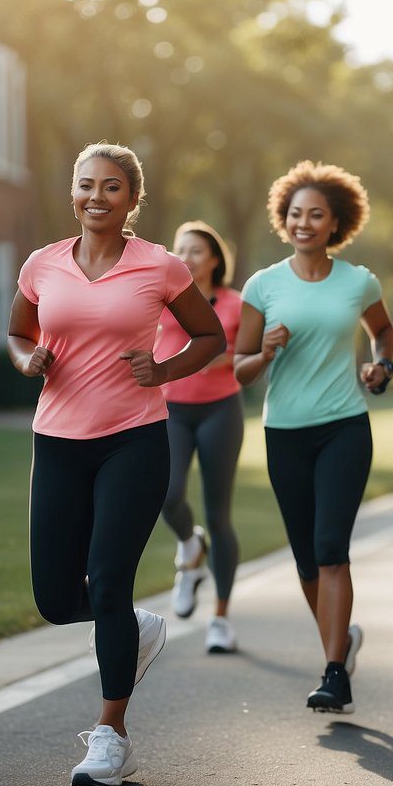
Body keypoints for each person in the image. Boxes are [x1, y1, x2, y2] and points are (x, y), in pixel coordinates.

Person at [8, 143, 224, 786]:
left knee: (106, 580)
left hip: (134, 438)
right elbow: (19, 333)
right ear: (71, 193)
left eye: (110, 187)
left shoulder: (158, 266)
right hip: (58, 439)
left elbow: (208, 336)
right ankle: (134, 628)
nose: (95, 197)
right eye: (84, 186)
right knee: (53, 596)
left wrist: (161, 370)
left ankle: (112, 738)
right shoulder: (41, 265)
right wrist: (28, 361)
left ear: (131, 198)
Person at [234, 161, 393, 715]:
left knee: (331, 549)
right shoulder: (263, 286)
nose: (304, 223)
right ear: (286, 219)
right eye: (296, 214)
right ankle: (341, 641)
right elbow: (240, 370)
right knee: (306, 559)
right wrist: (266, 350)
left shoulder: (359, 281)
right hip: (284, 433)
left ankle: (333, 673)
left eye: (316, 215)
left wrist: (381, 367)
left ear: (335, 223)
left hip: (344, 427)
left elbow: (384, 334)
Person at [155, 220, 245, 653]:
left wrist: (214, 356)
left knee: (219, 514)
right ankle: (190, 550)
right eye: (180, 249)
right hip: (170, 410)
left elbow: (243, 354)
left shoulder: (234, 303)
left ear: (213, 259)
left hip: (220, 411)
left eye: (195, 250)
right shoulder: (163, 299)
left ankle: (221, 618)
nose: (185, 257)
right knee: (166, 494)